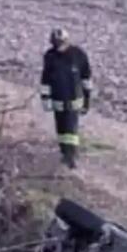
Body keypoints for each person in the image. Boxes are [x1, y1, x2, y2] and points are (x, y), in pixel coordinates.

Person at [40, 28, 92, 169]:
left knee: (71, 130)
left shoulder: (78, 55)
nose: (58, 47)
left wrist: (87, 99)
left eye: (60, 43)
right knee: (61, 130)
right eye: (55, 43)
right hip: (57, 102)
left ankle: (71, 156)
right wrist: (45, 98)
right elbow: (45, 79)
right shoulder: (50, 56)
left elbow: (86, 78)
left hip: (73, 101)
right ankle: (64, 152)